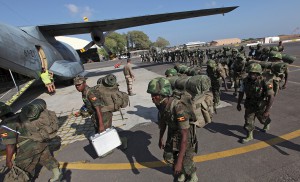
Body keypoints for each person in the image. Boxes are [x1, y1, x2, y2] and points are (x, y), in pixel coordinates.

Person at [147, 77, 198, 182]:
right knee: (168, 156)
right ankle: (182, 171)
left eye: (155, 95)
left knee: (185, 161)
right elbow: (163, 121)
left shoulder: (178, 108)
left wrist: (179, 162)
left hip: (185, 135)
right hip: (173, 131)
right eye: (151, 95)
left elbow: (184, 135)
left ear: (163, 94)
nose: (152, 98)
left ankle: (192, 174)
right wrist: (161, 138)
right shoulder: (160, 104)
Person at [0, 102, 62, 182]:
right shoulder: (20, 115)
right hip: (40, 141)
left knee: (20, 168)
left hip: (29, 147)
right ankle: (57, 174)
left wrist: (8, 161)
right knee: (45, 157)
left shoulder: (6, 124)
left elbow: (10, 145)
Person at [73, 76, 127, 150]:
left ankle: (122, 140)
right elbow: (88, 104)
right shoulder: (84, 92)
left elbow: (98, 109)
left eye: (79, 85)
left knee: (106, 132)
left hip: (104, 114)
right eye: (76, 85)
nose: (77, 87)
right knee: (101, 133)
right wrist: (80, 112)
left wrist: (101, 125)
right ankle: (106, 147)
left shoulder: (90, 93)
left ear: (84, 83)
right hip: (97, 115)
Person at [237, 63, 275, 143]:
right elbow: (241, 92)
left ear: (259, 73)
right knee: (248, 120)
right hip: (249, 104)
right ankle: (249, 136)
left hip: (260, 104)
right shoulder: (245, 81)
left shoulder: (265, 81)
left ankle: (266, 122)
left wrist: (267, 111)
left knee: (262, 119)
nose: (252, 75)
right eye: (251, 73)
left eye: (255, 73)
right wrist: (238, 103)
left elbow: (271, 96)